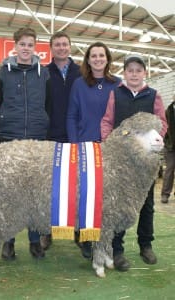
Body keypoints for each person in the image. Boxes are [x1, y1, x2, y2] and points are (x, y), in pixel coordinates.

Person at [101, 54, 167, 271]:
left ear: (144, 73)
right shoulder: (115, 94)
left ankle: (145, 244)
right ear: (125, 73)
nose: (134, 74)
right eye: (130, 70)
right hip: (120, 160)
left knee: (146, 203)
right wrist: (108, 143)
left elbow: (162, 123)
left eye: (138, 70)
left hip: (145, 160)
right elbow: (107, 121)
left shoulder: (154, 96)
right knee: (118, 203)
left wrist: (151, 140)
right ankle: (117, 249)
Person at [0, 27, 51, 260]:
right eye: (22, 44)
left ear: (36, 48)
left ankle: (35, 241)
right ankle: (9, 241)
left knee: (35, 194)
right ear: (15, 46)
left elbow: (49, 106)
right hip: (9, 140)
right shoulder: (3, 73)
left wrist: (48, 137)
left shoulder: (43, 74)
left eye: (30, 44)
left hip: (36, 140)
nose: (26, 48)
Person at [67, 42, 121, 258]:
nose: (98, 59)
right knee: (85, 194)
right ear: (88, 60)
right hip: (85, 146)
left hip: (110, 149)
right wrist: (74, 144)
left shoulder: (118, 84)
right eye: (93, 56)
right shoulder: (79, 84)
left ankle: (105, 240)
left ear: (107, 58)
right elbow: (71, 115)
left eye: (101, 55)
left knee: (106, 197)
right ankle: (84, 237)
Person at [41, 31, 81, 250]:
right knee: (49, 187)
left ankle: (77, 229)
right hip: (51, 137)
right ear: (51, 48)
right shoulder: (44, 73)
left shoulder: (81, 72)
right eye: (57, 45)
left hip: (76, 137)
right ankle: (47, 231)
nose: (62, 48)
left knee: (77, 186)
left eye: (65, 44)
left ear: (70, 46)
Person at [161, 93, 175, 203]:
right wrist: (166, 142)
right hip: (170, 146)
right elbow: (163, 129)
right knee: (169, 170)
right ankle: (165, 194)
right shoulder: (168, 112)